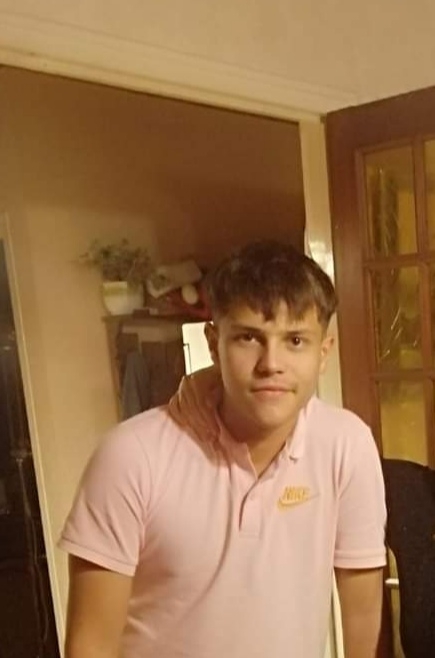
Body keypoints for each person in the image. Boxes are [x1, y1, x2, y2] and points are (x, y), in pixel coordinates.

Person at [59, 240, 387, 658]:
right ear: (214, 343)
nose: (271, 363)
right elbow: (90, 645)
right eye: (249, 338)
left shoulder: (347, 445)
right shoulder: (130, 457)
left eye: (295, 340)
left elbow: (361, 615)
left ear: (324, 352)